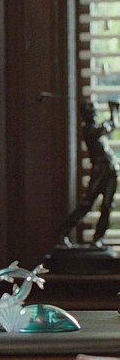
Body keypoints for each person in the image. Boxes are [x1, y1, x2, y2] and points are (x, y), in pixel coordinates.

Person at [56, 99, 120, 248]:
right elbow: (111, 126)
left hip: (111, 169)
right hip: (100, 170)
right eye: (91, 110)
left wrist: (114, 111)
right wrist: (114, 111)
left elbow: (112, 125)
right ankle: (63, 230)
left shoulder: (94, 128)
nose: (94, 113)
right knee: (88, 204)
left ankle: (98, 238)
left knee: (107, 206)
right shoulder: (89, 130)